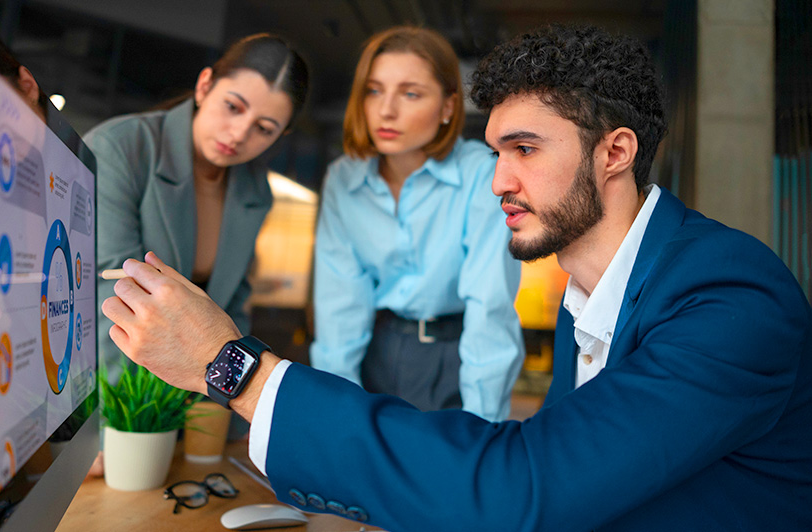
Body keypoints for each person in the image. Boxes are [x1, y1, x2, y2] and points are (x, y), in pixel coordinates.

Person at [102, 24, 812, 532]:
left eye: (526, 149)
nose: (499, 181)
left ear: (615, 153)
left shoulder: (730, 300)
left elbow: (523, 488)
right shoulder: (591, 295)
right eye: (496, 151)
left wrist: (237, 371)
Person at [309, 26, 523, 421]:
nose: (386, 110)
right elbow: (340, 308)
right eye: (374, 90)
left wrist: (482, 427)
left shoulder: (482, 175)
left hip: (456, 355)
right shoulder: (344, 178)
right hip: (376, 348)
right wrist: (334, 417)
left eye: (411, 93)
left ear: (447, 107)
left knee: (448, 472)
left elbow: (489, 309)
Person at [84, 33, 308, 383]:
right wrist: (131, 424)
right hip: (116, 387)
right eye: (233, 107)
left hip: (197, 392)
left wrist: (231, 406)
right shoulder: (121, 148)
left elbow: (233, 310)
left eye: (263, 129)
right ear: (204, 86)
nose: (238, 134)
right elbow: (111, 300)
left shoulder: (255, 190)